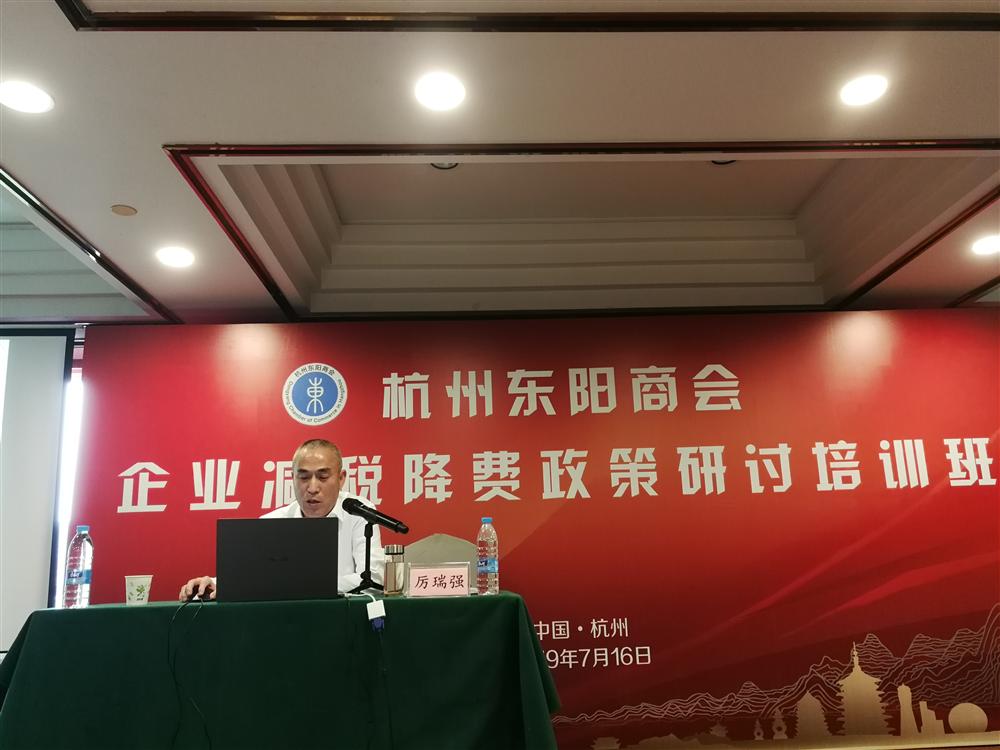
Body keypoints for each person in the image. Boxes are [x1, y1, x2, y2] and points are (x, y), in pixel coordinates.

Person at [178, 439, 385, 600]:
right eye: (303, 477)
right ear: (292, 478)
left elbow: (374, 576)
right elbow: (250, 576)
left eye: (323, 477)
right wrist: (215, 584)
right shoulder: (272, 522)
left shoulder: (359, 513)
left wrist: (301, 586)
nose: (312, 488)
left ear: (341, 479)